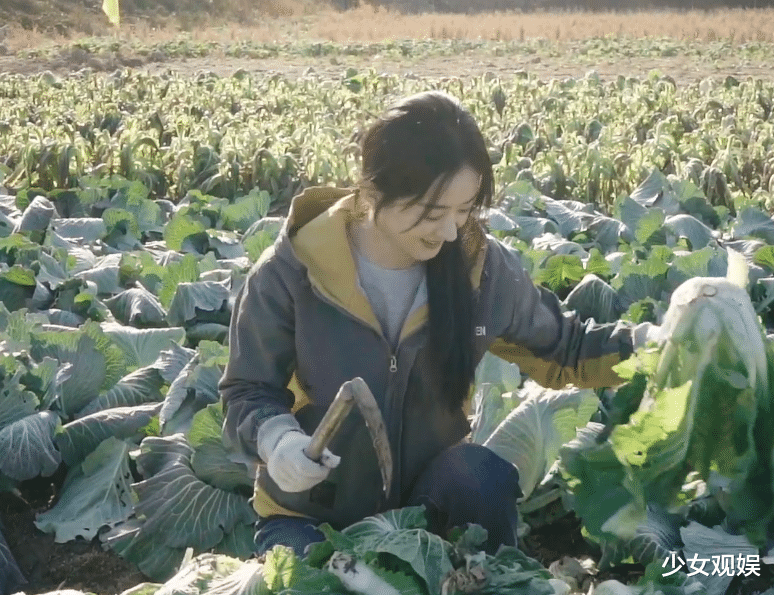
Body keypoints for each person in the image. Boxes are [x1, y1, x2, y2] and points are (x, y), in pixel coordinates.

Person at [219, 90, 658, 559]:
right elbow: (248, 390)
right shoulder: (292, 271)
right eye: (433, 213)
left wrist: (656, 345)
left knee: (481, 474)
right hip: (310, 517)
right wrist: (278, 441)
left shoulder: (482, 271)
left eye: (464, 210)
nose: (451, 232)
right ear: (373, 190)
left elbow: (564, 351)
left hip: (424, 503)